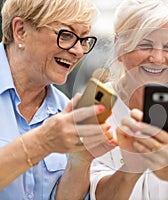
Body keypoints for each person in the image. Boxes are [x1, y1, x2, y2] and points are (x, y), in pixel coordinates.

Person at [90, 0, 168, 199]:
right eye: (145, 45)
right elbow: (97, 193)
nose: (157, 58)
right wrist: (132, 168)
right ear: (119, 47)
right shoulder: (96, 102)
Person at [0, 0, 115, 199]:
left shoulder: (65, 111)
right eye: (67, 35)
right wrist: (42, 142)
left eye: (84, 40)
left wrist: (81, 160)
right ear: (20, 31)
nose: (78, 51)